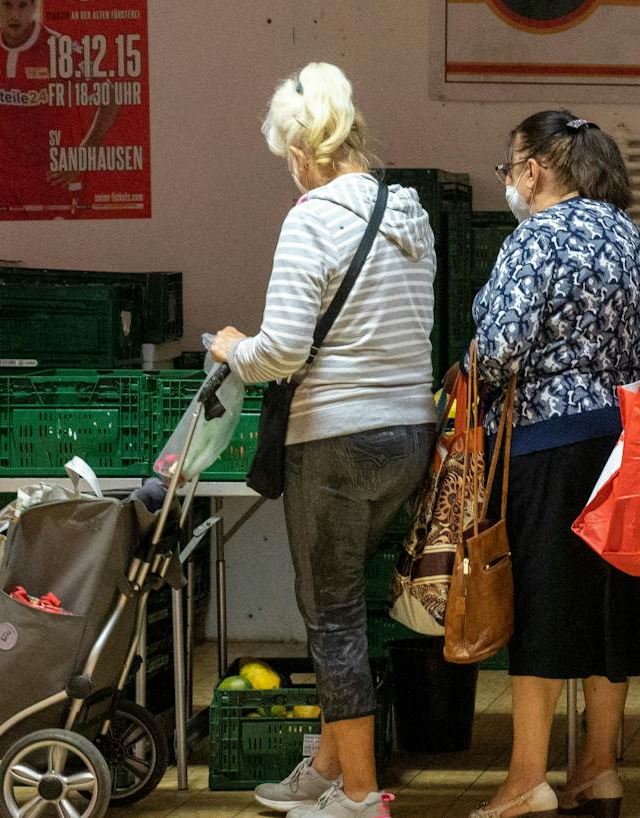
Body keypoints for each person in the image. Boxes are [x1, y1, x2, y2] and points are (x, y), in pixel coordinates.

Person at [209, 63, 438, 818]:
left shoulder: (311, 217)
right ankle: (328, 769)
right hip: (409, 434)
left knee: (331, 613)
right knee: (352, 603)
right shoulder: (409, 212)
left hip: (335, 440)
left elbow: (282, 351)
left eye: (287, 156)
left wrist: (233, 348)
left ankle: (363, 793)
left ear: (304, 152)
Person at [464, 111, 640, 818]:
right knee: (609, 610)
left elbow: (497, 350)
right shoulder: (634, 239)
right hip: (627, 443)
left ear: (533, 170)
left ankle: (527, 779)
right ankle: (599, 770)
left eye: (510, 169)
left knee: (545, 610)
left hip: (548, 443)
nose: (511, 183)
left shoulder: (536, 237)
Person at [0, 0, 121, 217]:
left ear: (33, 6)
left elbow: (110, 94)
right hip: (5, 172)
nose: (15, 14)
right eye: (7, 5)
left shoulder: (58, 47)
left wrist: (85, 152)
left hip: (52, 175)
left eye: (23, 5)